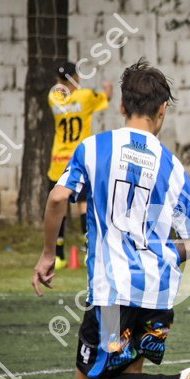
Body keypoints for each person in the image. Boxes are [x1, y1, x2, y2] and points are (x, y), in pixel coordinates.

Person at [33, 59, 190, 379]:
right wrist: (162, 253)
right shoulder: (172, 166)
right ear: (163, 109)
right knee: (130, 375)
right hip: (159, 291)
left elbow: (58, 198)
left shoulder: (94, 148)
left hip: (114, 291)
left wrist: (48, 254)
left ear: (122, 106)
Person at [47, 62, 113, 267]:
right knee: (84, 204)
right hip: (80, 160)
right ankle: (88, 250)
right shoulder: (85, 97)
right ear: (76, 78)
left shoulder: (53, 98)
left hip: (58, 160)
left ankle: (59, 254)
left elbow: (62, 93)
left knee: (60, 205)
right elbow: (105, 98)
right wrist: (108, 89)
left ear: (58, 81)